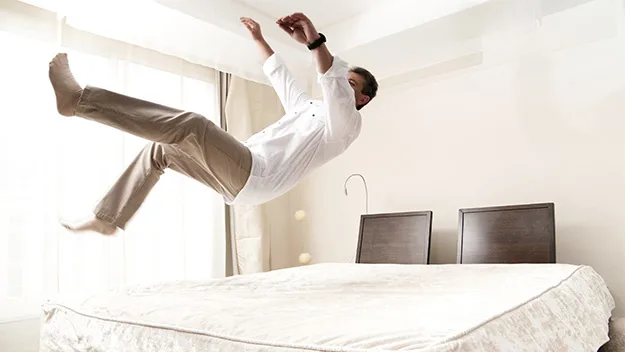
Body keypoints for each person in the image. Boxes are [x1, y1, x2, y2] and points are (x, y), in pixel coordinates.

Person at [49, 12, 378, 235]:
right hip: (244, 181)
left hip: (258, 174)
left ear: (362, 99)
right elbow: (281, 76)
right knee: (161, 149)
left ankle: (79, 101)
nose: (342, 86)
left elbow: (332, 84)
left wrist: (315, 41)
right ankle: (109, 218)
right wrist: (258, 38)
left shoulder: (347, 125)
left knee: (191, 124)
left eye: (353, 85)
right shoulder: (307, 107)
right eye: (344, 81)